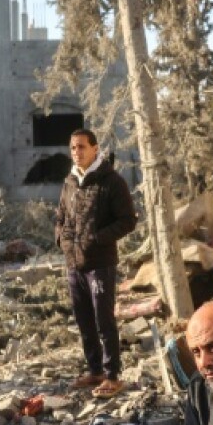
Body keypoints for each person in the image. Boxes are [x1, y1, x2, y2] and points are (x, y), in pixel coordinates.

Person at [54, 128, 136, 400]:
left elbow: (128, 220)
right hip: (73, 263)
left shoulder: (111, 182)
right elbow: (61, 217)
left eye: (81, 147)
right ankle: (95, 370)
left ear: (95, 148)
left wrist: (98, 238)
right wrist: (61, 241)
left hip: (100, 262)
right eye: (73, 147)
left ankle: (112, 375)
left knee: (104, 318)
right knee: (84, 319)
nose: (76, 152)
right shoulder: (69, 182)